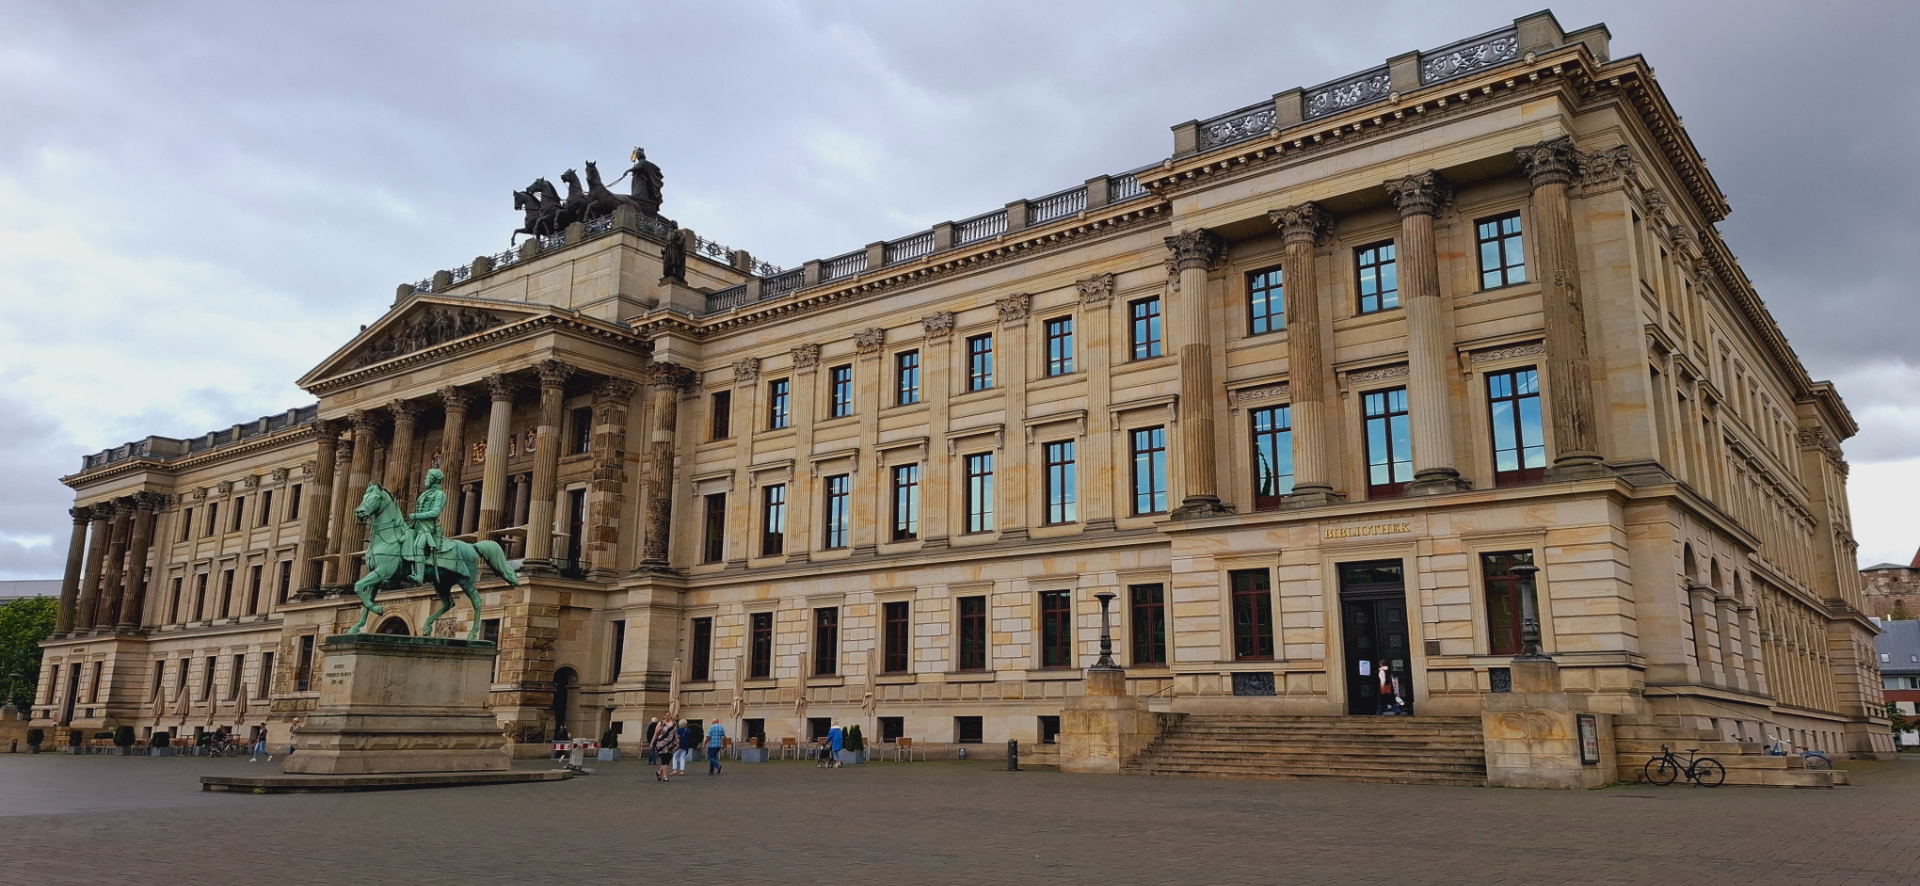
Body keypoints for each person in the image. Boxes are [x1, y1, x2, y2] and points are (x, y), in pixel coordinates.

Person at [406, 469, 449, 584]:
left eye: (427, 477)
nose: (425, 479)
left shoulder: (440, 495)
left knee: (418, 545)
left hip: (428, 528)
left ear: (433, 479)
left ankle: (419, 576)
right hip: (416, 526)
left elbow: (435, 512)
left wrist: (416, 516)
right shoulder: (424, 494)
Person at [652, 718, 678, 782]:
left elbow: (675, 734)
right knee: (664, 760)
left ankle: (659, 772)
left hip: (671, 745)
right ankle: (665, 777)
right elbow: (656, 733)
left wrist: (677, 742)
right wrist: (652, 742)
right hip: (662, 744)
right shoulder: (661, 724)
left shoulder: (674, 724)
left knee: (667, 761)